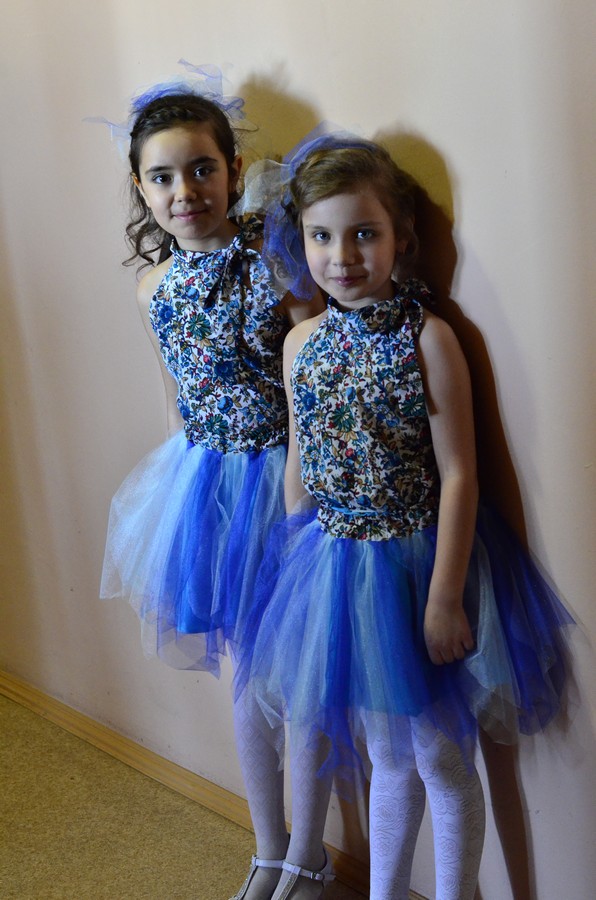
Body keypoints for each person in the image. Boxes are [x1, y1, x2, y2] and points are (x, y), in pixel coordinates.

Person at [236, 133, 573, 900]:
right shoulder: (300, 343)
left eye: (364, 233)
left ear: (402, 238)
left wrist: (445, 597)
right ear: (301, 242)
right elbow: (300, 461)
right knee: (387, 758)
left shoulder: (430, 340)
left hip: (419, 567)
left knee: (442, 759)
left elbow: (460, 475)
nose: (342, 256)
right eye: (322, 237)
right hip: (333, 570)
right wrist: (294, 568)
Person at [98, 70, 322, 900]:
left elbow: (312, 379)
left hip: (289, 482)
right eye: (161, 177)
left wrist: (309, 501)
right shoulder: (152, 288)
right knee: (249, 679)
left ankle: (309, 857)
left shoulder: (274, 262)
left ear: (232, 170)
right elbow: (175, 400)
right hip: (207, 491)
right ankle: (271, 848)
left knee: (303, 677)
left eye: (201, 169)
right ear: (140, 189)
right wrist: (179, 502)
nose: (184, 191)